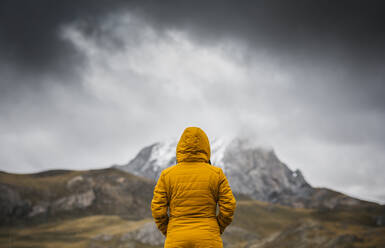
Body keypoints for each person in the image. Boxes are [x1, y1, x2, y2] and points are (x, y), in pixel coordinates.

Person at [151, 127, 236, 248]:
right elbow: (229, 206)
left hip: (176, 237)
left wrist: (169, 230)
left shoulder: (167, 175)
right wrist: (217, 227)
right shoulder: (217, 174)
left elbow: (157, 210)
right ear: (205, 147)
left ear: (180, 147)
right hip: (208, 237)